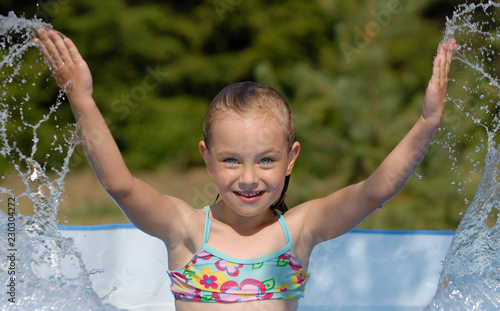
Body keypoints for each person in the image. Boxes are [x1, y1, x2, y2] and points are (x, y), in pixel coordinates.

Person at [34, 27, 456, 311]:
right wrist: (82, 101)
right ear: (206, 158)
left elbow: (374, 191)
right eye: (231, 160)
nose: (249, 178)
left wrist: (426, 123)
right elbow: (121, 186)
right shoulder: (185, 229)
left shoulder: (300, 229)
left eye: (267, 160)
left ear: (291, 158)